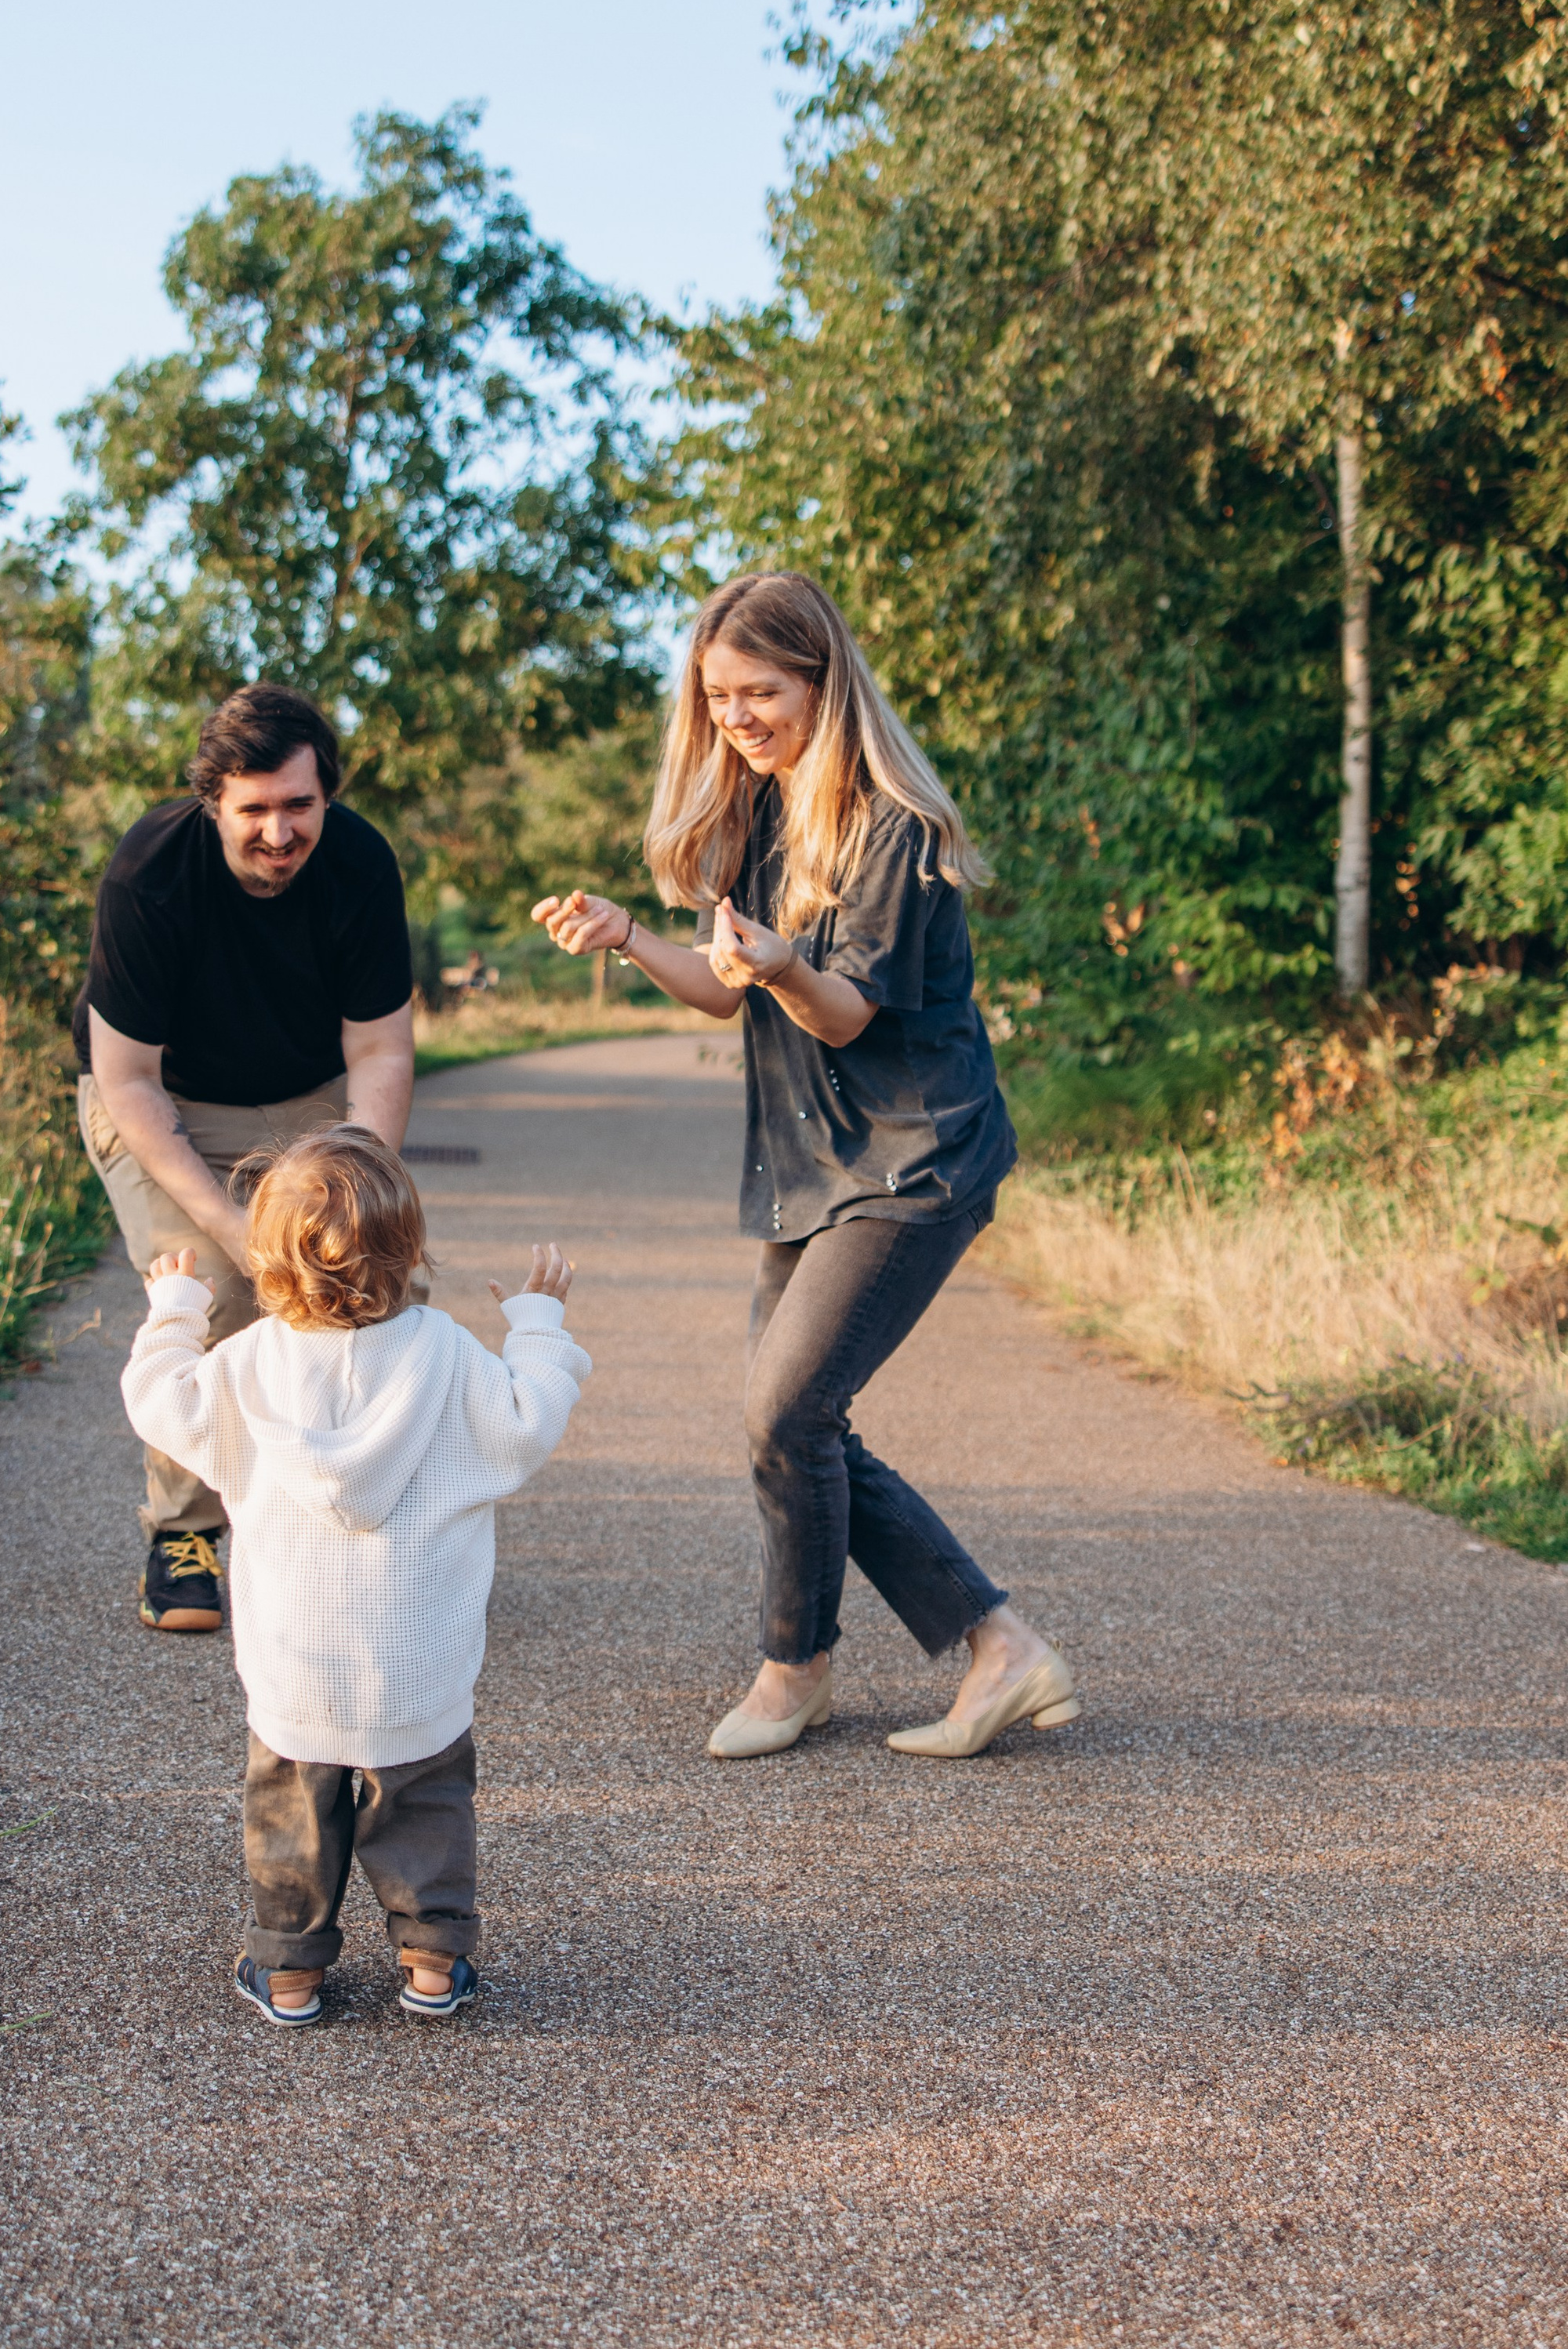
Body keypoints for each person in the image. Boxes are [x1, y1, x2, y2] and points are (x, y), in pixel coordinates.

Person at [532, 570, 1080, 1763]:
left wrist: (780, 963)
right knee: (788, 1420)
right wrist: (631, 936)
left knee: (789, 1407)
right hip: (816, 1161)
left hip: (915, 1154)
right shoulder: (759, 813)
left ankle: (801, 1668)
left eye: (759, 691)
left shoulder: (893, 827)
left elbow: (834, 1011)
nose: (734, 715)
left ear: (823, 683)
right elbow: (729, 992)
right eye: (717, 695)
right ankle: (980, 1647)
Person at [121, 1127, 586, 2025]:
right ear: (409, 1250)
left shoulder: (248, 1363)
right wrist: (536, 1325)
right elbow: (526, 1424)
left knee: (291, 1822)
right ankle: (431, 1967)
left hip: (298, 1669)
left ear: (263, 1262)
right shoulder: (447, 1353)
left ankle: (290, 1973)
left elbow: (161, 1402)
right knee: (427, 1810)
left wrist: (175, 1309)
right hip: (416, 1666)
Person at [73, 681, 416, 1632]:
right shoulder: (151, 872)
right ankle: (184, 1533)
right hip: (164, 1095)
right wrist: (236, 1224)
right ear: (212, 801)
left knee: (369, 1282)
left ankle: (360, 1523)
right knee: (221, 1288)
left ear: (327, 797)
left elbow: (381, 1052)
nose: (277, 832)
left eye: (298, 806)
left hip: (306, 1096)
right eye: (253, 810)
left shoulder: (359, 864)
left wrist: (357, 1196)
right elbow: (128, 1083)